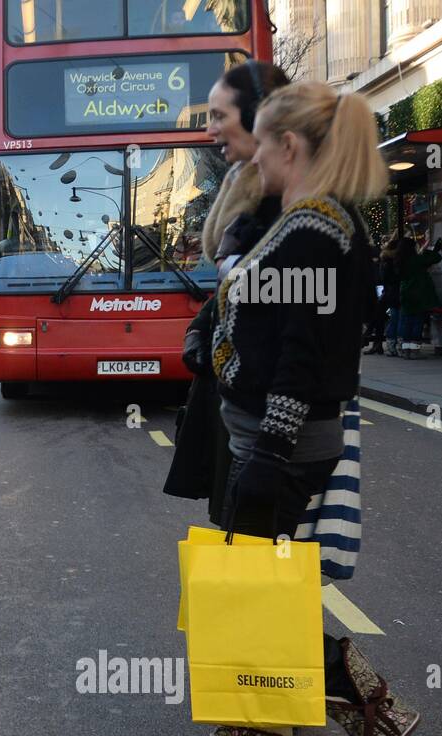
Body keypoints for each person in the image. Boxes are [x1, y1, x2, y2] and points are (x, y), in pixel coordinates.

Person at [163, 82, 419, 736]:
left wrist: (271, 450)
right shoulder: (316, 221)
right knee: (255, 594)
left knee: (257, 596)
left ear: (288, 146)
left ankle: (377, 707)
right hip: (275, 438)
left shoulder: (315, 229)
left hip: (284, 444)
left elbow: (304, 353)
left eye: (264, 151)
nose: (259, 169)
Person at [165, 60, 290, 526]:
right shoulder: (243, 188)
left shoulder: (301, 207)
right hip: (240, 413)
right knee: (246, 559)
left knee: (269, 567)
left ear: (261, 117)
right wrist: (203, 329)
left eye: (220, 116)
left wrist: (274, 448)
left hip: (271, 425)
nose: (210, 129)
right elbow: (240, 296)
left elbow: (306, 327)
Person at [386, 235, 442, 358]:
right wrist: (432, 249)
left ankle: (406, 350)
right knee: (417, 324)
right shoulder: (416, 260)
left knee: (406, 323)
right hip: (418, 294)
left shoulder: (399, 261)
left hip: (405, 293)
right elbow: (436, 258)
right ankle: (414, 351)